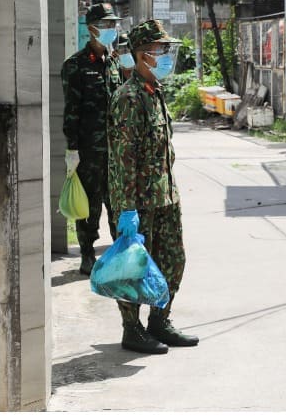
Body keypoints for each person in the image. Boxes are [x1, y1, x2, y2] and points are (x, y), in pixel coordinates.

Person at [107, 19, 199, 354]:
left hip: (164, 196)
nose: (164, 55)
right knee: (133, 268)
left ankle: (159, 321)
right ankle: (131, 329)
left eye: (164, 49)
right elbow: (123, 157)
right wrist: (127, 208)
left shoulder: (154, 92)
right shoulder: (128, 98)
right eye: (159, 50)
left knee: (174, 260)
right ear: (142, 54)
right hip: (138, 201)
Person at [61, 3, 123, 275]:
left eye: (113, 24)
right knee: (89, 204)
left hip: (116, 150)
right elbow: (71, 110)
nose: (111, 29)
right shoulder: (75, 65)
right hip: (88, 150)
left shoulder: (115, 63)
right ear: (92, 28)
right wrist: (72, 148)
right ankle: (87, 253)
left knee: (118, 203)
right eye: (106, 25)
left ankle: (121, 251)